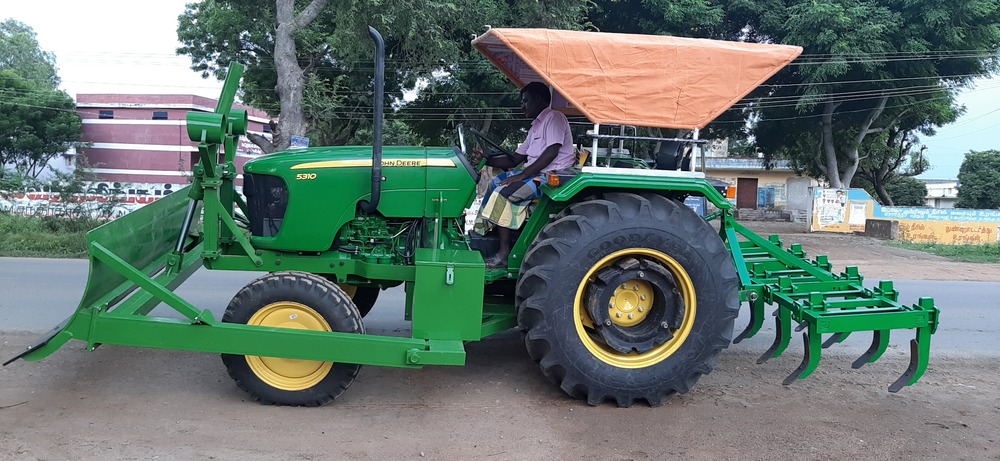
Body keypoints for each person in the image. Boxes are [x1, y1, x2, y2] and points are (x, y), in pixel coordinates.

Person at [472, 82, 575, 268]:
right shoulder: (535, 127)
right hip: (533, 173)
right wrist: (487, 160)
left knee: (504, 193)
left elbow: (552, 151)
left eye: (525, 101)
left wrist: (522, 175)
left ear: (538, 99)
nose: (523, 106)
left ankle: (504, 253)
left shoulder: (554, 118)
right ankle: (484, 235)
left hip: (550, 178)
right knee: (495, 183)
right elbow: (514, 159)